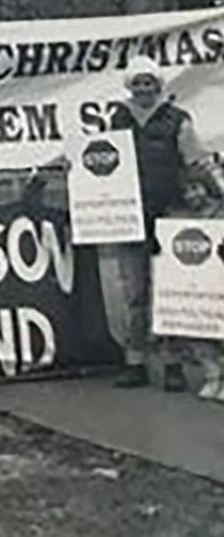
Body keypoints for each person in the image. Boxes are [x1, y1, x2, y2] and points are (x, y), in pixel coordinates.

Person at [105, 57, 223, 388]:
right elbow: (97, 159)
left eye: (149, 82)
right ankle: (136, 362)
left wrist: (218, 189)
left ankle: (173, 365)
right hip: (128, 218)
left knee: (170, 292)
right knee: (134, 292)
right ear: (130, 86)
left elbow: (198, 161)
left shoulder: (177, 121)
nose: (144, 89)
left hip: (172, 215)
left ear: (159, 84)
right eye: (138, 83)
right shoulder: (117, 119)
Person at [154, 162, 224, 399]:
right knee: (196, 329)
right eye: (186, 191)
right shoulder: (175, 217)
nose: (192, 195)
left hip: (219, 279)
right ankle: (212, 374)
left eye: (196, 188)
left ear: (207, 186)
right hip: (193, 284)